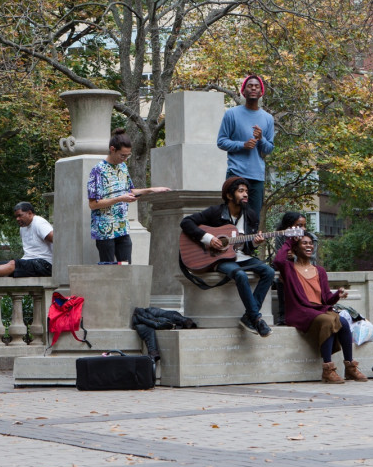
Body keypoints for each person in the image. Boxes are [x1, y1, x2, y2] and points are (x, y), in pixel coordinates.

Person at [180, 176, 275, 336]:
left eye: (246, 191)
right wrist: (209, 239)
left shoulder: (251, 215)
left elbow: (247, 247)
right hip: (218, 258)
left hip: (240, 256)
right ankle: (257, 319)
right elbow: (186, 222)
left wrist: (256, 243)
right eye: (240, 191)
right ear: (229, 195)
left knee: (269, 272)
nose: (245, 195)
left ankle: (249, 317)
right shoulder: (215, 212)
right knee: (239, 274)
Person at [273, 234, 367, 383]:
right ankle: (327, 370)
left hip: (319, 309)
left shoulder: (319, 271)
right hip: (299, 311)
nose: (309, 246)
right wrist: (291, 240)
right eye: (304, 243)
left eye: (311, 243)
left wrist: (337, 294)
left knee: (343, 322)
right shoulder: (289, 269)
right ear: (296, 248)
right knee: (328, 321)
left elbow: (326, 298)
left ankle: (350, 367)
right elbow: (277, 260)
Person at [87, 128, 170, 263]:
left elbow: (130, 191)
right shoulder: (98, 170)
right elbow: (93, 204)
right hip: (104, 230)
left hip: (122, 228)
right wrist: (119, 199)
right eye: (122, 155)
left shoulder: (123, 168)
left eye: (127, 156)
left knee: (126, 267)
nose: (125, 159)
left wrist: (152, 190)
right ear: (112, 149)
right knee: (108, 269)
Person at [216, 74, 274, 220]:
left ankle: (249, 244)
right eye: (250, 86)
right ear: (243, 91)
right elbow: (221, 141)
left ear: (261, 92)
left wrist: (261, 139)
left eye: (257, 86)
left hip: (257, 177)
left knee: (253, 219)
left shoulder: (268, 118)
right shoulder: (231, 114)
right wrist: (243, 145)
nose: (253, 88)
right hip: (236, 173)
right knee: (232, 217)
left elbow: (268, 149)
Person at [273, 211, 312, 325]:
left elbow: (312, 259)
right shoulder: (281, 236)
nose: (303, 228)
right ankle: (283, 316)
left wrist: (295, 256)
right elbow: (279, 257)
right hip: (286, 269)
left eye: (304, 225)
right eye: (299, 225)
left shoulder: (309, 238)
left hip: (304, 268)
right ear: (289, 226)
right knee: (281, 279)